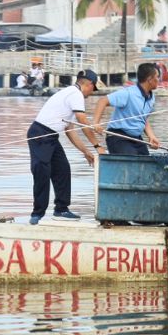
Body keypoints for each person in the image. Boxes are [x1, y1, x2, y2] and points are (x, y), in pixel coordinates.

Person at [26, 69, 101, 224]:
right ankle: (37, 214)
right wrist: (97, 145)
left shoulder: (71, 96)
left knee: (63, 169)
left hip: (52, 136)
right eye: (93, 89)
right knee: (42, 173)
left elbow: (70, 131)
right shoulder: (76, 94)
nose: (92, 93)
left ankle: (61, 209)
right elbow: (83, 122)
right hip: (40, 134)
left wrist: (86, 152)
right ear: (89, 84)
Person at [92, 62, 163, 156]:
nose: (159, 80)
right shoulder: (128, 93)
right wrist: (96, 123)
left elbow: (143, 118)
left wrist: (151, 136)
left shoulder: (151, 97)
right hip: (118, 136)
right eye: (157, 77)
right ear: (150, 79)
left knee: (146, 162)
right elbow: (103, 101)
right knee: (131, 161)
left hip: (136, 138)